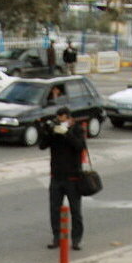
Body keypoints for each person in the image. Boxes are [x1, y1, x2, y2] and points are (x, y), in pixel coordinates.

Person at [38, 107, 86, 251]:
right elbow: (42, 145)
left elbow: (79, 146)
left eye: (62, 118)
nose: (60, 121)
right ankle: (57, 237)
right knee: (54, 209)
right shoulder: (55, 131)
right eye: (58, 118)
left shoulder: (77, 129)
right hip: (56, 176)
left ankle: (76, 239)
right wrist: (47, 131)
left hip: (73, 177)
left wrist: (67, 133)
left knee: (75, 210)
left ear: (69, 118)